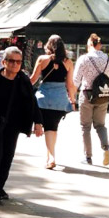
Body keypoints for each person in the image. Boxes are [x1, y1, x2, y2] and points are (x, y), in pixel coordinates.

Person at [0, 46, 43, 204]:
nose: (15, 65)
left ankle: (0, 186)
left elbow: (32, 102)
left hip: (13, 124)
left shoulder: (22, 79)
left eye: (18, 62)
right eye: (11, 61)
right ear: (4, 62)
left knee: (7, 156)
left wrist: (38, 122)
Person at [29, 35, 75, 169]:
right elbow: (70, 84)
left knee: (48, 127)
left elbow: (33, 80)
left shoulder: (43, 59)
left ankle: (51, 157)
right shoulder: (68, 62)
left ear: (48, 46)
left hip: (44, 98)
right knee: (52, 128)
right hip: (60, 100)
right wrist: (72, 100)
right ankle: (50, 156)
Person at [73, 33, 109, 166]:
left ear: (90, 44)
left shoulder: (84, 58)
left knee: (85, 126)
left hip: (87, 95)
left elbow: (76, 80)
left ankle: (88, 157)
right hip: (102, 95)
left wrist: (72, 96)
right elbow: (108, 75)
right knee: (100, 125)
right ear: (100, 45)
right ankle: (106, 147)